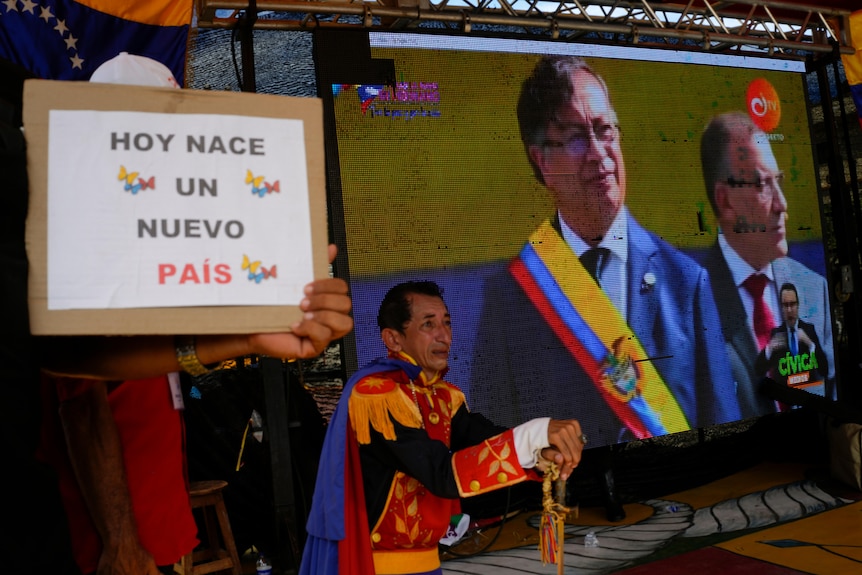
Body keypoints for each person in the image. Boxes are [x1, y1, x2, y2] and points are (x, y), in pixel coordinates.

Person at [1, 52, 353, 575]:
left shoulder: (145, 252)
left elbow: (140, 361)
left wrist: (246, 331)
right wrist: (121, 543)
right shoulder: (80, 251)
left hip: (155, 528)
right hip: (106, 547)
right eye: (143, 134)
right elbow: (81, 400)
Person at [469, 55, 740, 446]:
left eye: (605, 130)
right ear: (541, 160)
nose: (599, 153)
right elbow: (494, 443)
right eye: (577, 137)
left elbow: (723, 433)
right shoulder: (509, 297)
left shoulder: (686, 282)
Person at [300, 281, 586, 575]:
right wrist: (536, 433)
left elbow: (486, 437)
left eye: (446, 323)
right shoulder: (377, 395)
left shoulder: (443, 396)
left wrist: (540, 453)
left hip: (430, 562)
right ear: (394, 339)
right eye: (428, 324)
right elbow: (441, 473)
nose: (444, 335)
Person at [699, 111, 835, 416]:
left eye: (780, 181)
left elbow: (831, 396)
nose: (782, 204)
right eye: (762, 184)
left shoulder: (814, 289)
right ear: (725, 200)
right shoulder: (689, 302)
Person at [756, 283, 828, 392]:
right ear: (781, 308)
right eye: (785, 305)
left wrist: (810, 344)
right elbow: (758, 370)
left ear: (798, 305)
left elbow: (824, 370)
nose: (789, 310)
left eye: (793, 304)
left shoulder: (809, 330)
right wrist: (769, 348)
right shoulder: (776, 334)